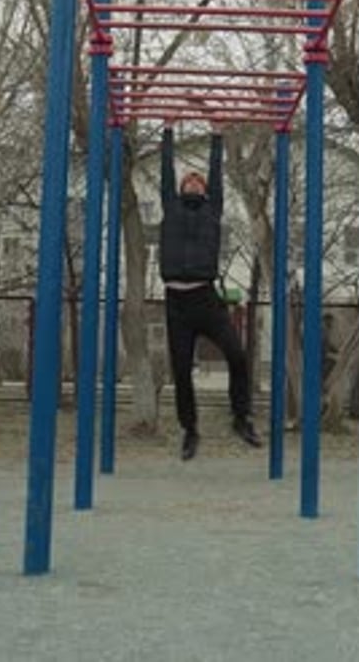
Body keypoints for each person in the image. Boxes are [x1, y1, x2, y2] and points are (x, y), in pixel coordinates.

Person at [160, 117, 261, 461]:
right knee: (181, 369)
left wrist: (218, 134)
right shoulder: (169, 208)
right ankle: (190, 430)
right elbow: (165, 172)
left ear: (205, 190)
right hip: (176, 303)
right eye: (187, 179)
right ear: (179, 188)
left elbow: (216, 175)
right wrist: (168, 130)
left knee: (237, 355)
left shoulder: (212, 210)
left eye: (198, 180)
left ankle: (241, 417)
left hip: (205, 298)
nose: (192, 181)